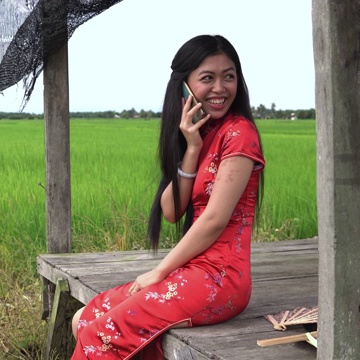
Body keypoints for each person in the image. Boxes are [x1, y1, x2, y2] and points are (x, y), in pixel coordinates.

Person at [70, 34, 265, 360]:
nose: (220, 88)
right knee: (83, 318)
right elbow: (172, 211)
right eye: (207, 78)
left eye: (228, 76)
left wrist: (159, 271)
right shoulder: (203, 133)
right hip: (191, 270)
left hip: (220, 278)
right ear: (185, 87)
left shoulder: (239, 133)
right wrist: (191, 148)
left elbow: (215, 220)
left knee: (102, 333)